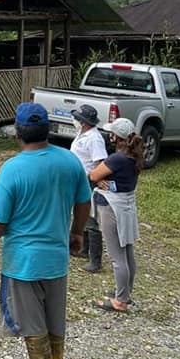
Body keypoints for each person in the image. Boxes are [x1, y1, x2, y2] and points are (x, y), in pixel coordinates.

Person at [0, 102, 91, 359]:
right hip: (56, 258)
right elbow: (83, 201)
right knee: (54, 315)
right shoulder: (69, 162)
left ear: (18, 132)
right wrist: (77, 232)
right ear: (48, 131)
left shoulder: (13, 169)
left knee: (30, 318)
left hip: (24, 261)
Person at [89, 117, 142, 313]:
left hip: (112, 207)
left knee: (116, 257)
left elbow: (94, 175)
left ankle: (120, 300)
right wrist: (107, 182)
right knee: (127, 252)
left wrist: (99, 180)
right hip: (126, 204)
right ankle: (125, 293)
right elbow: (120, 182)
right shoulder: (134, 156)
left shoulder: (116, 158)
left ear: (116, 137)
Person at [69, 104, 108, 273]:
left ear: (83, 122)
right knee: (81, 214)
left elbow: (99, 162)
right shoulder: (82, 133)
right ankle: (83, 249)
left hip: (89, 180)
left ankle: (95, 259)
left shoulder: (94, 138)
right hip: (79, 179)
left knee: (91, 218)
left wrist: (99, 180)